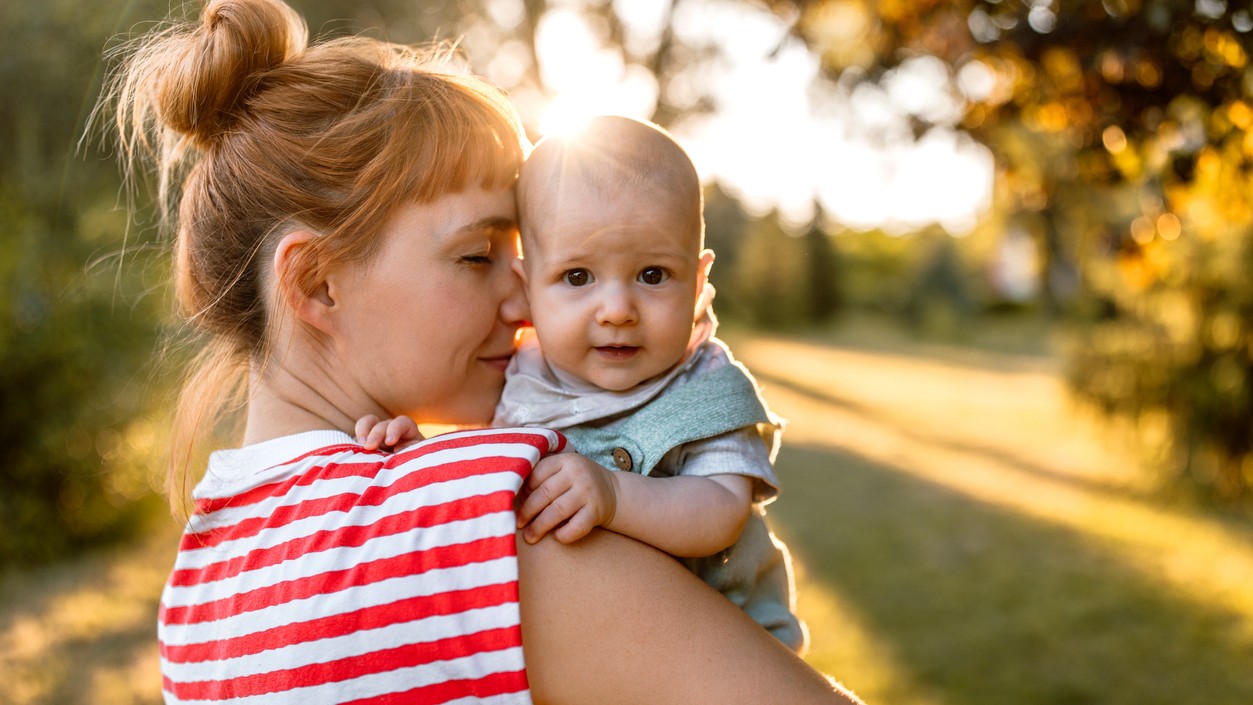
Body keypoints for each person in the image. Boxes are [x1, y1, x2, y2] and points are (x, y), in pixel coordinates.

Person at [102, 0, 864, 703]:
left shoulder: (196, 589)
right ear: (316, 284)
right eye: (476, 256)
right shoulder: (494, 524)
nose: (524, 301)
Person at [500, 116, 806, 652]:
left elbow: (720, 512)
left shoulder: (705, 388)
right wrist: (410, 451)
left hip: (727, 654)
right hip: (594, 651)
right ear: (527, 291)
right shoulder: (520, 379)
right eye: (577, 277)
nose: (617, 310)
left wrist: (615, 494)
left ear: (698, 283)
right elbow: (473, 465)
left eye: (652, 275)